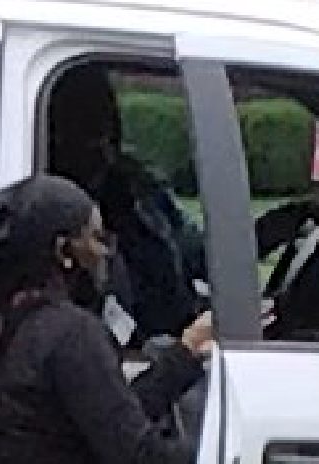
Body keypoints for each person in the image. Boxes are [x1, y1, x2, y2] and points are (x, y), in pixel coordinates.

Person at [0, 175, 212, 464]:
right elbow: (135, 453)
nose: (106, 252)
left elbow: (107, 417)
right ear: (64, 251)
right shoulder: (70, 333)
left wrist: (186, 352)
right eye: (97, 238)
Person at [47, 64, 206, 343]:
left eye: (104, 125)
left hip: (179, 331)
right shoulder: (53, 210)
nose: (100, 144)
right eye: (84, 127)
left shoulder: (137, 187)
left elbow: (198, 251)